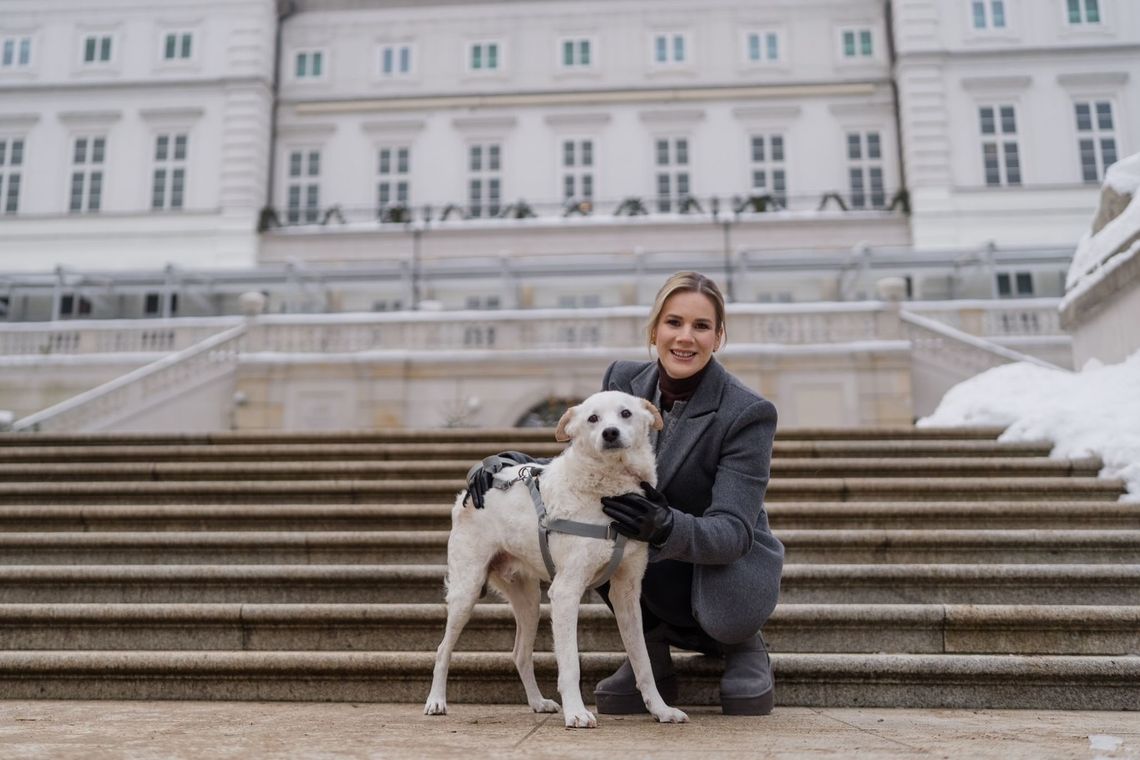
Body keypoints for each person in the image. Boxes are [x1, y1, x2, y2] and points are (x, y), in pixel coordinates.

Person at [465, 271, 783, 716]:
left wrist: (667, 525)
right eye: (674, 323)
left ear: (719, 336)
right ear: (654, 331)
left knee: (742, 696)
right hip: (640, 550)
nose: (685, 338)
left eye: (701, 326)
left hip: (718, 562)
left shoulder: (746, 412)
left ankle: (744, 645)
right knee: (592, 529)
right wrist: (514, 466)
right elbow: (587, 461)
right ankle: (650, 653)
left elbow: (732, 531)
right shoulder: (624, 379)